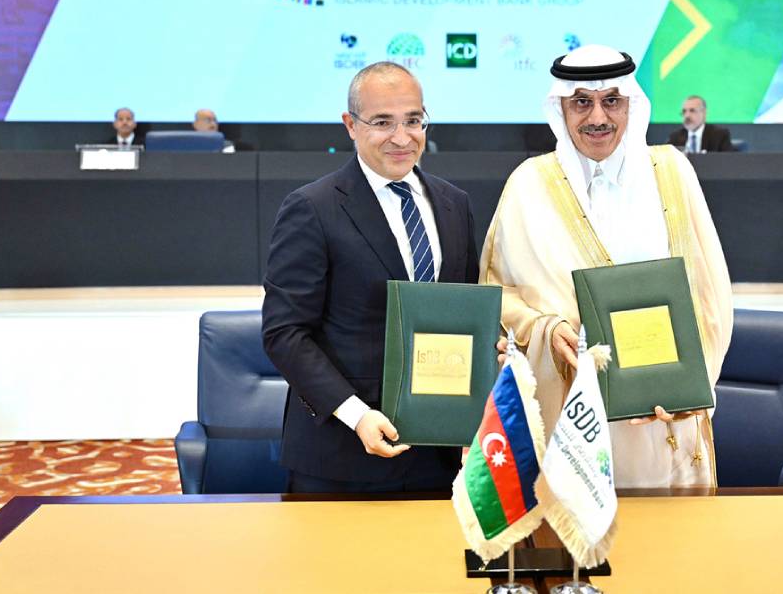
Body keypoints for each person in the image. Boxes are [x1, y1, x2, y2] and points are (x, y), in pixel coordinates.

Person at [481, 45, 733, 488]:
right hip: (570, 411)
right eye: (581, 102)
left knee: (671, 529)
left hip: (663, 418)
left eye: (611, 100)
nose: (597, 117)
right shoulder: (528, 185)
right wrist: (546, 329)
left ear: (631, 103)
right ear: (561, 108)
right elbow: (497, 296)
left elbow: (709, 292)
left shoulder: (671, 172)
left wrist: (691, 387)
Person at [262, 62, 479, 493]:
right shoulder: (312, 208)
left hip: (436, 453)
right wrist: (356, 414)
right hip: (341, 455)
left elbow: (462, 313)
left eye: (413, 120)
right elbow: (284, 333)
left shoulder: (454, 204)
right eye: (383, 122)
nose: (402, 137)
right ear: (351, 125)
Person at [668, 95, 735, 152]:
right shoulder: (675, 138)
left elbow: (727, 160)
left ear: (704, 113)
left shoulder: (719, 135)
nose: (687, 115)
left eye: (692, 110)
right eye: (684, 111)